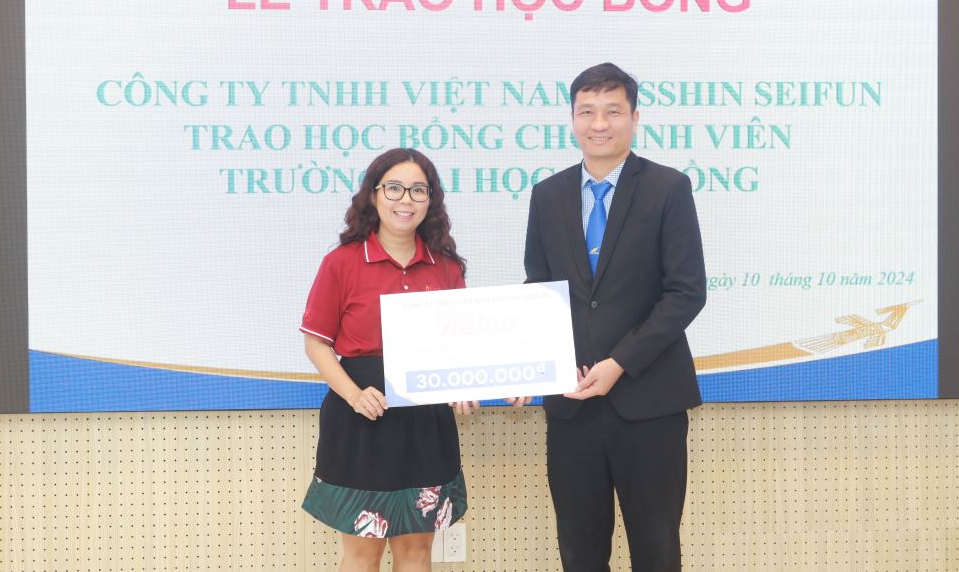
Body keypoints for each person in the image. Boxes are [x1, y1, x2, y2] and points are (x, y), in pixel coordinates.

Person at [523, 63, 707, 571]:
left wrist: (619, 362)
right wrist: (535, 361)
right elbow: (539, 288)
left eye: (612, 111)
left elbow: (686, 292)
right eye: (587, 112)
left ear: (634, 118)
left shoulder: (668, 188)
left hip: (649, 403)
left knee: (656, 550)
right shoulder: (547, 195)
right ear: (572, 119)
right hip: (571, 405)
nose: (599, 123)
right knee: (579, 552)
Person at [299, 148, 480, 572]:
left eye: (418, 190)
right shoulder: (342, 262)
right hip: (362, 415)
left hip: (425, 419)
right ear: (374, 195)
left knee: (416, 550)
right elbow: (316, 344)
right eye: (394, 188)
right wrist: (353, 395)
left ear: (431, 200)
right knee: (363, 553)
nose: (406, 200)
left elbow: (458, 348)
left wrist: (463, 386)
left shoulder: (445, 266)